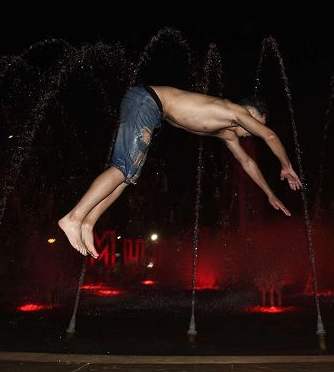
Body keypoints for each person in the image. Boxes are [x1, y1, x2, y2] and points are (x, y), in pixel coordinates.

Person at [58, 86, 302, 256]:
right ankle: (74, 217)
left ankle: (89, 222)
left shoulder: (227, 132)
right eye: (257, 121)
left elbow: (247, 162)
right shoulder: (234, 111)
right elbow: (269, 135)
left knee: (128, 176)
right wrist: (286, 166)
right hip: (147, 101)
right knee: (123, 169)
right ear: (248, 112)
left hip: (150, 109)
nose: (255, 130)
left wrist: (269, 193)